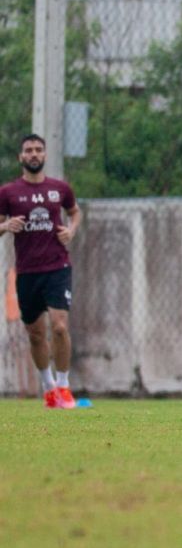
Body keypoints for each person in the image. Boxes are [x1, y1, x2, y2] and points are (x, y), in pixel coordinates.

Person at [1, 134, 83, 409]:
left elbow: (75, 212)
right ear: (20, 157)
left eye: (38, 150)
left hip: (57, 267)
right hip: (27, 272)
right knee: (35, 334)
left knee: (59, 326)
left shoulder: (59, 188)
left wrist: (70, 231)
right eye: (28, 150)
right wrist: (5, 226)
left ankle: (64, 385)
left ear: (45, 155)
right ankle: (48, 387)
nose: (33, 154)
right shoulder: (8, 193)